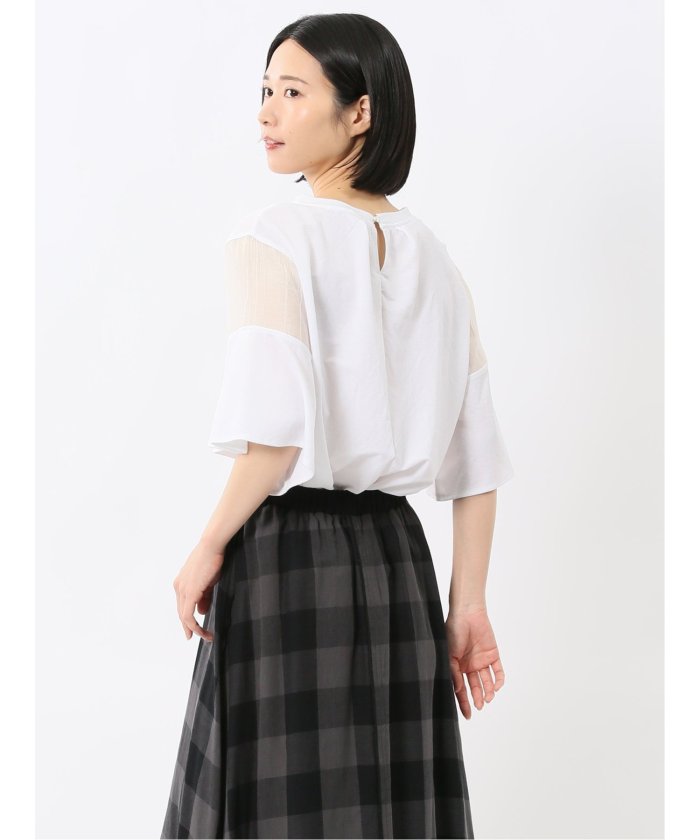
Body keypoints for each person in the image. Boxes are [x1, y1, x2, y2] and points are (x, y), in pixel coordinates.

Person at [160, 12, 514, 840]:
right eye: (265, 91)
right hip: (396, 561)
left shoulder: (274, 235)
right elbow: (476, 460)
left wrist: (206, 545)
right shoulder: (437, 260)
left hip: (287, 559)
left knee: (281, 809)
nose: (266, 113)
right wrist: (467, 605)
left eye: (292, 92)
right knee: (387, 805)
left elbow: (275, 436)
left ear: (360, 112)